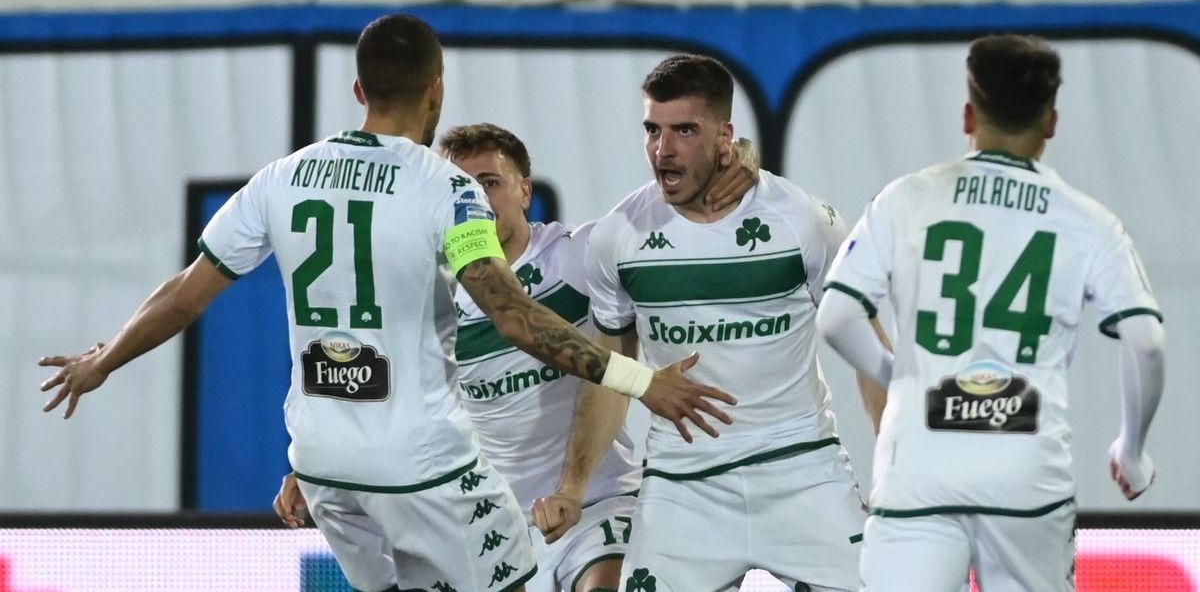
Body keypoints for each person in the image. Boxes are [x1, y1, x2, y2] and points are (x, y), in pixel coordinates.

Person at [37, 14, 737, 592]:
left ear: (358, 89)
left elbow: (184, 296)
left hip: (323, 465)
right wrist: (639, 380)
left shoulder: (283, 178)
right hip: (421, 467)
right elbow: (513, 314)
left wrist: (103, 360)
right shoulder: (446, 189)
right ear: (437, 90)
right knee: (521, 574)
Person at [274, 122, 761, 592]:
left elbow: (683, 195)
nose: (477, 200)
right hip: (491, 520)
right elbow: (379, 397)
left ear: (525, 191)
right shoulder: (424, 298)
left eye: (490, 183)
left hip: (598, 501)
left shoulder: (575, 258)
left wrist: (740, 156)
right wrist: (317, 471)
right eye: (461, 186)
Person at [816, 34, 1166, 592]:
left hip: (920, 466)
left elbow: (836, 318)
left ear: (967, 116)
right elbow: (1145, 342)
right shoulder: (1089, 222)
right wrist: (1132, 449)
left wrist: (900, 377)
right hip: (1026, 471)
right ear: (1051, 122)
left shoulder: (906, 199)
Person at [533, 54, 886, 592]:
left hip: (799, 469)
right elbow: (610, 370)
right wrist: (572, 488)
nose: (662, 149)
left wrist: (896, 461)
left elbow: (864, 342)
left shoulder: (802, 221)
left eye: (684, 130)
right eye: (652, 129)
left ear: (725, 136)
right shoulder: (619, 237)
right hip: (683, 486)